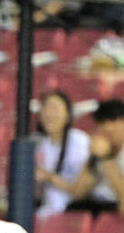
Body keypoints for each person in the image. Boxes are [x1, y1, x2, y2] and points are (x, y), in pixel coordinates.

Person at [66, 99, 124, 215]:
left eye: (113, 121)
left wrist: (106, 158)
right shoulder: (101, 146)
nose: (107, 128)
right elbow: (79, 192)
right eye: (102, 123)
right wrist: (92, 157)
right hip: (106, 204)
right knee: (73, 208)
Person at [34, 90, 90, 218]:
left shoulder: (79, 141)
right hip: (48, 211)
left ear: (68, 114)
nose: (49, 114)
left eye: (54, 108)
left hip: (74, 211)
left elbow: (82, 190)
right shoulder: (41, 145)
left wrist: (49, 177)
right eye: (45, 108)